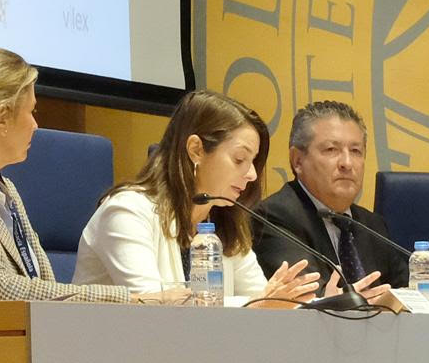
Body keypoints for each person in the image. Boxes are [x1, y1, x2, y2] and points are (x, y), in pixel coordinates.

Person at [0, 45, 184, 304]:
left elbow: (40, 286)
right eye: (32, 111)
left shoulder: (2, 187)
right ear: (2, 118)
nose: (35, 125)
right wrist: (132, 299)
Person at [73, 91, 319, 304]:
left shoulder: (224, 223)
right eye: (239, 159)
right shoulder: (127, 212)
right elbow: (152, 308)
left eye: (253, 161)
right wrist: (257, 305)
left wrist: (314, 303)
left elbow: (261, 300)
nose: (252, 175)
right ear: (196, 150)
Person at [253, 100, 406, 304]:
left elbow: (405, 293)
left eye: (356, 151)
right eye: (331, 149)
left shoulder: (373, 225)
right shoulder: (274, 216)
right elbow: (310, 297)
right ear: (297, 160)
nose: (347, 163)